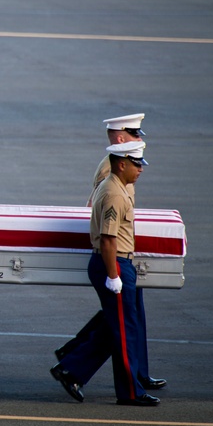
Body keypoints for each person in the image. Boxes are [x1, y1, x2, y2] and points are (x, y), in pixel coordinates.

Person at [55, 114, 165, 390]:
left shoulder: (123, 169)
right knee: (120, 322)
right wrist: (114, 270)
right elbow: (102, 220)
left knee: (127, 318)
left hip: (122, 252)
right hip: (113, 255)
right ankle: (74, 363)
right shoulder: (112, 173)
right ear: (120, 140)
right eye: (134, 135)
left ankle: (134, 373)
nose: (140, 140)